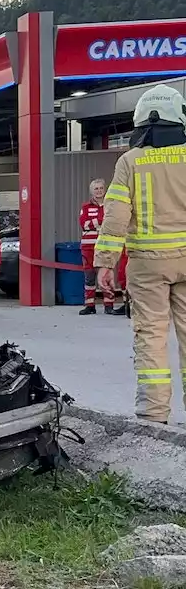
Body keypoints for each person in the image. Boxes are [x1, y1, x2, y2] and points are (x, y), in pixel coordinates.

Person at [95, 84, 186, 424]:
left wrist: (105, 262)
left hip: (148, 264)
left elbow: (116, 215)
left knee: (150, 335)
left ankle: (153, 413)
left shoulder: (130, 161)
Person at [79, 178, 129, 316]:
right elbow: (84, 224)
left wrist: (95, 222)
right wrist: (102, 220)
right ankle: (89, 305)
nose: (99, 191)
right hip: (88, 247)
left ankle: (109, 305)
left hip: (106, 246)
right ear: (91, 191)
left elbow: (113, 220)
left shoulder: (110, 205)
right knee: (89, 277)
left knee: (107, 275)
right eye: (96, 188)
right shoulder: (85, 207)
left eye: (101, 188)